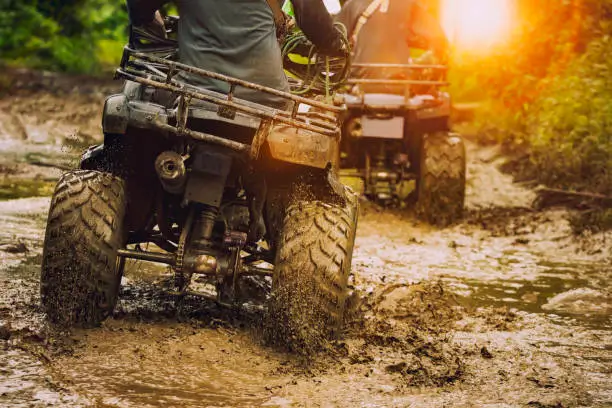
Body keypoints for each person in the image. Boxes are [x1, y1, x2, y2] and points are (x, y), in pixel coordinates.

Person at [126, 0, 346, 108]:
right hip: (268, 98)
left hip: (195, 93)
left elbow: (139, 7)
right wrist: (335, 45)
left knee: (134, 93)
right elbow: (315, 22)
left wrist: (153, 21)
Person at [335, 0, 449, 92]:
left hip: (358, 84)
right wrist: (424, 63)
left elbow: (334, 43)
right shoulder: (409, 5)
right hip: (399, 85)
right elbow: (439, 40)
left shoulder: (353, 4)